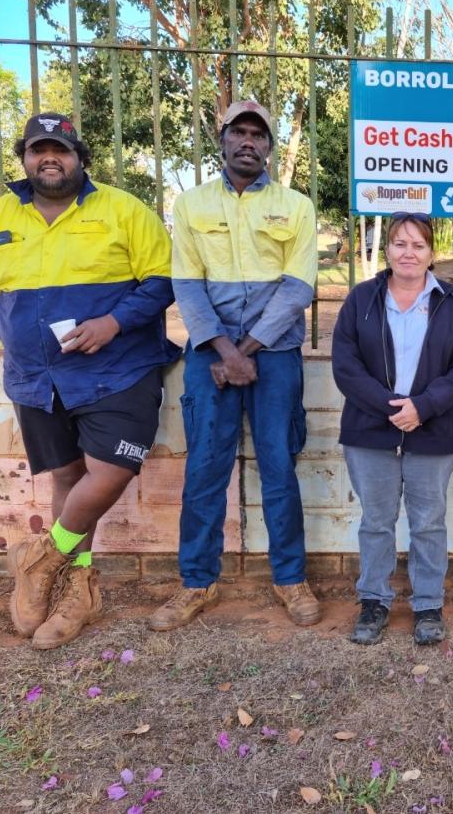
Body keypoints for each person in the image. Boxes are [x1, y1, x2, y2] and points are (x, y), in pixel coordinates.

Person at [0, 113, 178, 649]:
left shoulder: (124, 210)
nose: (49, 158)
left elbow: (163, 280)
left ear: (80, 156)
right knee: (66, 476)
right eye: (39, 150)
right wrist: (22, 340)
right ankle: (76, 586)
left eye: (59, 149)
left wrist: (114, 323)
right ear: (26, 159)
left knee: (111, 470)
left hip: (118, 369)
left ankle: (40, 560)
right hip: (37, 378)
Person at [150, 100, 320, 631]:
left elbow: (298, 289)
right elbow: (187, 284)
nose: (248, 141)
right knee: (204, 469)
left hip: (274, 357)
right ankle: (196, 582)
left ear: (269, 146)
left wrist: (244, 353)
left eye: (258, 134)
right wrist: (223, 353)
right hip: (210, 358)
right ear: (222, 140)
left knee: (278, 467)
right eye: (238, 133)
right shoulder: (192, 204)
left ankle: (290, 578)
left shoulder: (296, 206)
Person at [332, 212, 453, 646]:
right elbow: (345, 365)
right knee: (376, 521)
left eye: (418, 245)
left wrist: (423, 407)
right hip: (370, 430)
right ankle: (374, 601)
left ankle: (428, 605)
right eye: (399, 243)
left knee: (429, 522)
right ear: (387, 250)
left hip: (434, 431)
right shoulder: (361, 299)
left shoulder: (452, 302)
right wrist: (389, 407)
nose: (408, 252)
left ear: (433, 253)